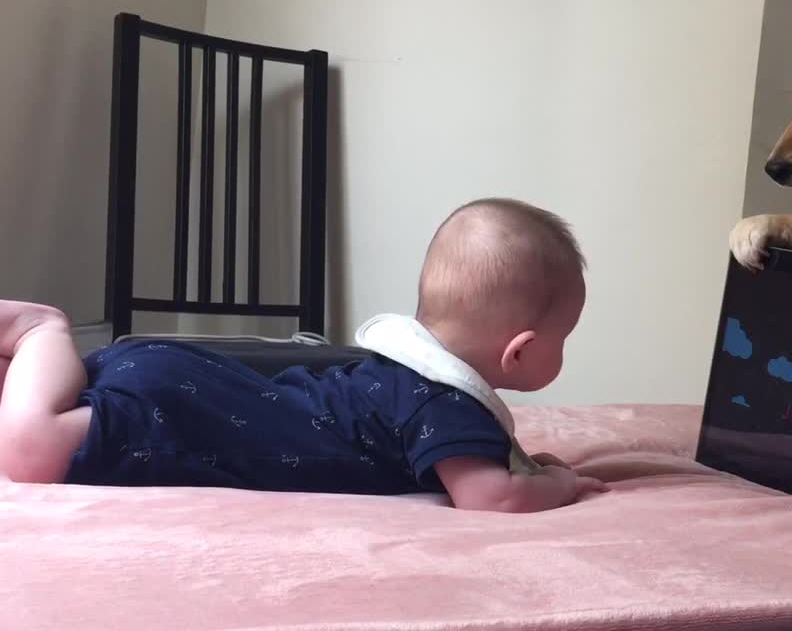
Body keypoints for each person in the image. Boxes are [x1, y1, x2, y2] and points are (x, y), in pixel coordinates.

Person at [0, 198, 604, 512]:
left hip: (176, 380)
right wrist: (561, 480)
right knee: (31, 450)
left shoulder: (409, 372)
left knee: (38, 420)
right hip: (168, 406)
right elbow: (492, 499)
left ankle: (26, 367)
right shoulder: (446, 402)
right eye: (566, 337)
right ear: (520, 350)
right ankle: (40, 329)